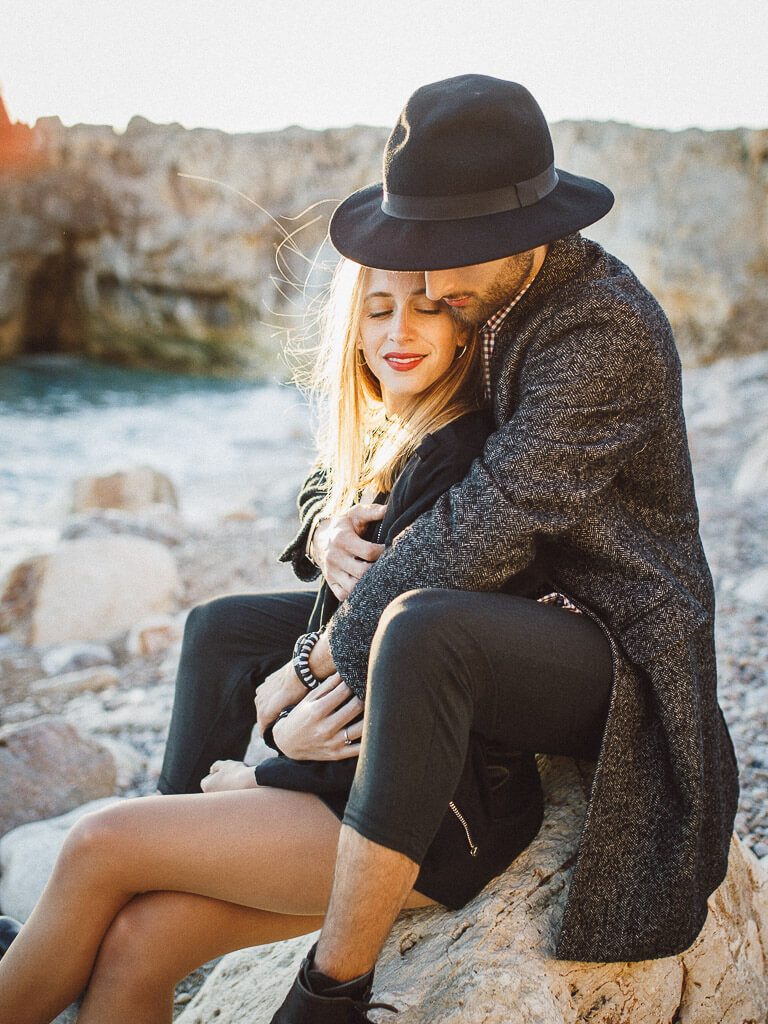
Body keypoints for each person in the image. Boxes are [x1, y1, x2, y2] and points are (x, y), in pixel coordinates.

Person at [0, 257, 554, 1024]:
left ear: (462, 329)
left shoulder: (455, 457)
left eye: (426, 310)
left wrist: (265, 769)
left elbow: (392, 694)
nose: (400, 331)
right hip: (372, 789)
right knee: (138, 938)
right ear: (351, 332)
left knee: (97, 843)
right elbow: (324, 521)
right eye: (378, 310)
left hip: (429, 819)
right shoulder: (391, 440)